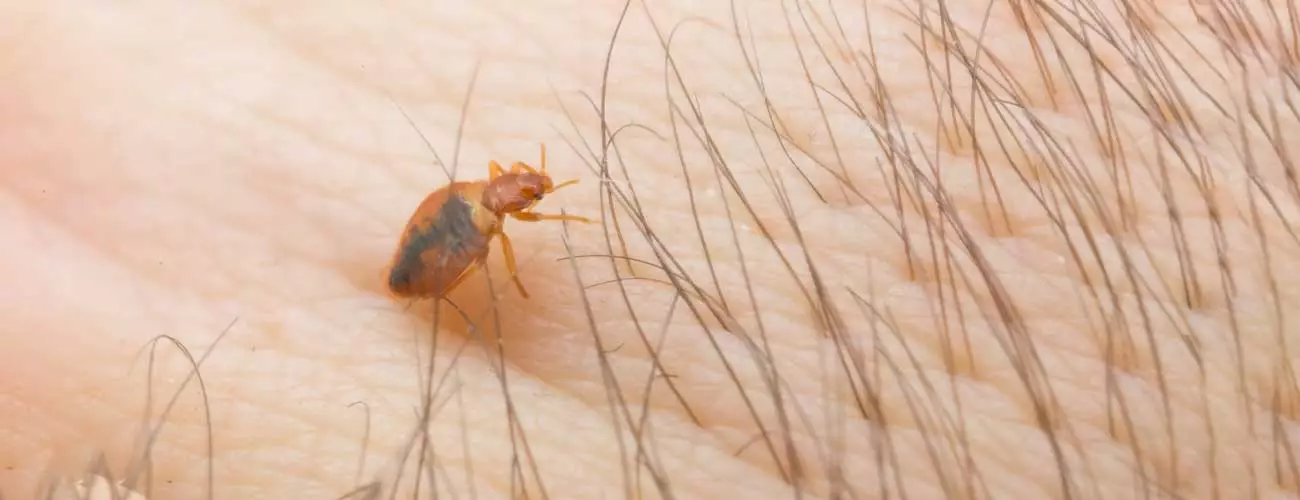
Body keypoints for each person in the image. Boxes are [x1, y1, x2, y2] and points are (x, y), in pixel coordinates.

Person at [3, 0, 1294, 498]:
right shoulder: (481, 226)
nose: (521, 196)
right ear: (503, 195)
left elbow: (452, 247)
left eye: (518, 191)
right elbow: (451, 260)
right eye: (522, 189)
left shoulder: (471, 207)